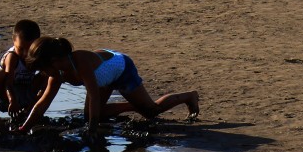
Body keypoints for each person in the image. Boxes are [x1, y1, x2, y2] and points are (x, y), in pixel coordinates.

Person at [19, 37, 199, 134]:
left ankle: (189, 96)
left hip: (120, 69)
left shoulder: (80, 63)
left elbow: (94, 95)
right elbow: (43, 103)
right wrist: (24, 128)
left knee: (151, 111)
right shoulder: (55, 74)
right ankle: (133, 105)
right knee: (91, 114)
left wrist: (92, 130)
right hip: (101, 81)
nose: (43, 73)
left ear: (54, 60)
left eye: (43, 68)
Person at [0, 19, 48, 125]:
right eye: (21, 48)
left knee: (46, 75)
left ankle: (32, 111)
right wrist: (12, 100)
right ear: (14, 41)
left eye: (29, 49)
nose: (25, 54)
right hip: (8, 98)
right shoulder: (12, 57)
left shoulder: (36, 55)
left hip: (27, 95)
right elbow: (8, 83)